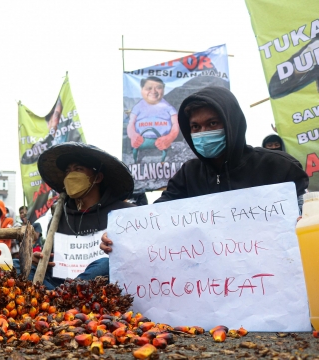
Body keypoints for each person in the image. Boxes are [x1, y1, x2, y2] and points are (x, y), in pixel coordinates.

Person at [101, 86, 309, 255]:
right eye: (195, 127)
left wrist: (304, 222)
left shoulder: (279, 167)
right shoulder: (188, 175)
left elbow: (305, 218)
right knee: (102, 267)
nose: (203, 133)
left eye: (212, 123)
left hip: (267, 277)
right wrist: (120, 236)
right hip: (208, 284)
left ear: (231, 123)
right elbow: (155, 217)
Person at [30, 142, 135, 289]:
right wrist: (40, 261)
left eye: (78, 169)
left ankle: (64, 296)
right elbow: (51, 262)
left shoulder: (125, 213)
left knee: (106, 264)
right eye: (68, 171)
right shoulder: (59, 217)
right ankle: (63, 295)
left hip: (100, 290)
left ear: (97, 177)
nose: (71, 176)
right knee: (18, 265)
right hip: (58, 286)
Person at [127, 76, 179, 162]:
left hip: (163, 144)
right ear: (142, 90)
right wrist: (133, 135)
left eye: (158, 87)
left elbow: (176, 124)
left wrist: (170, 137)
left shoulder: (169, 108)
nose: (153, 91)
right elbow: (131, 123)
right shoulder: (137, 107)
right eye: (149, 88)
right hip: (141, 142)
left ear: (163, 89)